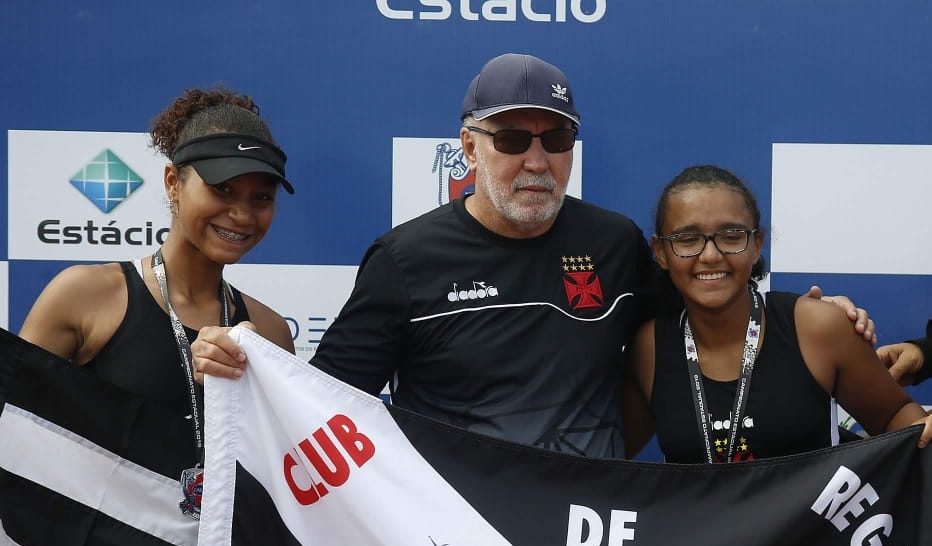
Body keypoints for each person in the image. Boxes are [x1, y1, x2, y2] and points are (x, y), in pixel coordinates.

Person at [192, 53, 876, 460]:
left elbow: (711, 306)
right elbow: (324, 402)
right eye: (513, 139)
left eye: (556, 140)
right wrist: (245, 370)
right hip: (453, 537)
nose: (537, 160)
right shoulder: (406, 259)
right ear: (468, 147)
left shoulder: (614, 243)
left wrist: (810, 318)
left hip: (589, 527)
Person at [18, 85, 296, 514]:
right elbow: (15, 433)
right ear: (173, 183)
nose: (243, 214)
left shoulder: (270, 332)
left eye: (261, 197)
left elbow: (283, 478)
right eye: (222, 189)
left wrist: (250, 382)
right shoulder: (84, 295)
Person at [627, 165, 932, 464]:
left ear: (757, 245)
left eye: (731, 237)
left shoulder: (817, 326)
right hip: (699, 518)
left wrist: (931, 429)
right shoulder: (649, 348)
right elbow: (610, 456)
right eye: (687, 239)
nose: (711, 255)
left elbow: (895, 417)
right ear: (661, 252)